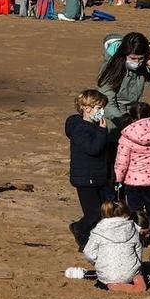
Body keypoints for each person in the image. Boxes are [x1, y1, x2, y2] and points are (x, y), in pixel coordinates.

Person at [64, 90, 114, 245]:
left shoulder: (92, 126)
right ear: (87, 108)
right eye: (98, 108)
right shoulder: (80, 129)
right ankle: (79, 230)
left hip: (97, 176)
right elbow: (94, 149)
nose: (101, 112)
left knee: (101, 211)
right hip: (86, 178)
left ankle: (88, 237)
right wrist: (102, 131)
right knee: (93, 213)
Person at [68, 201, 147, 293]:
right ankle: (134, 283)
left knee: (106, 274)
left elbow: (88, 252)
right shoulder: (132, 228)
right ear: (126, 214)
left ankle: (115, 286)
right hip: (130, 274)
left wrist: (99, 262)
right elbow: (138, 250)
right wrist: (136, 266)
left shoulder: (98, 230)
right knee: (137, 274)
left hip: (107, 275)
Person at [112, 102, 150, 229]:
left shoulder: (126, 137)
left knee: (135, 209)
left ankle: (138, 236)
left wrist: (118, 180)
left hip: (132, 181)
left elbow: (122, 162)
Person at [95, 34, 150, 129]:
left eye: (140, 58)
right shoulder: (111, 67)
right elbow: (106, 101)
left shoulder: (143, 65)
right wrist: (124, 123)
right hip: (111, 122)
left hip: (131, 117)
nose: (137, 62)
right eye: (132, 58)